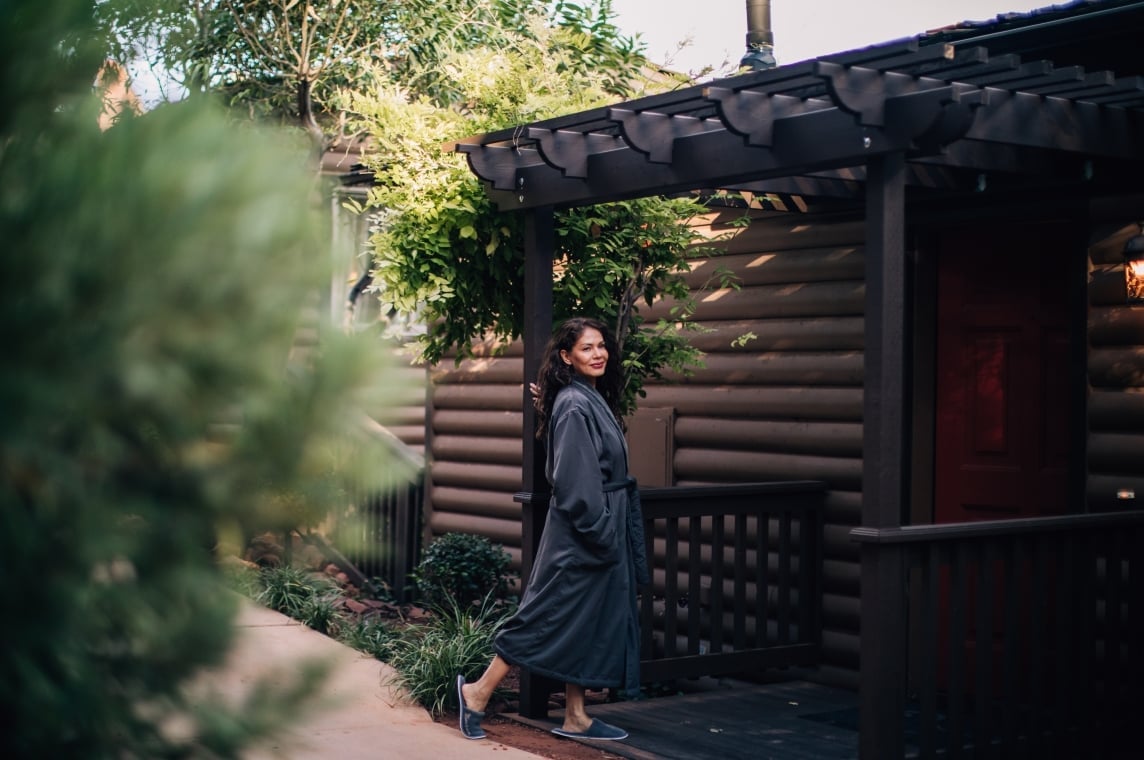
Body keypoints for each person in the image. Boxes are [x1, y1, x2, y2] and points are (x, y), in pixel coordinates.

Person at [456, 316, 649, 742]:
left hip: (597, 528)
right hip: (583, 533)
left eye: (601, 346)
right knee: (546, 614)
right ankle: (477, 692)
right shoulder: (576, 404)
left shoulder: (582, 397)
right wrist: (600, 529)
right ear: (566, 356)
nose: (598, 354)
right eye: (586, 348)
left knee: (584, 619)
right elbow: (575, 480)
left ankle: (576, 716)